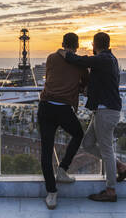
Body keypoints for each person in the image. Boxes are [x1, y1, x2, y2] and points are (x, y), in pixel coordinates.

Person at [58, 32, 126, 202]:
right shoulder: (107, 61)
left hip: (106, 111)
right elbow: (99, 84)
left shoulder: (105, 59)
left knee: (106, 150)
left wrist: (64, 54)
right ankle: (121, 166)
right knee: (88, 144)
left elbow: (80, 61)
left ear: (95, 44)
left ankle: (111, 190)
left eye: (92, 44)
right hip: (102, 110)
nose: (91, 47)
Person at [38, 32, 89, 210]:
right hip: (63, 108)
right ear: (76, 46)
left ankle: (51, 193)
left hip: (45, 106)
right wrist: (79, 87)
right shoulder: (79, 63)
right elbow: (86, 83)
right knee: (78, 134)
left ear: (62, 43)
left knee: (46, 150)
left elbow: (52, 76)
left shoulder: (51, 58)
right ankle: (62, 169)